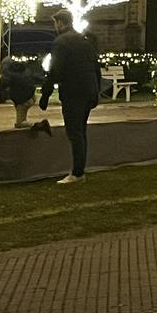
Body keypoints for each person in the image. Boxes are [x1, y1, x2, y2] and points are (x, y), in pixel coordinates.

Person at [39, 10, 101, 183]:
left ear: (60, 23)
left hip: (73, 92)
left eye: (55, 23)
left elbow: (55, 70)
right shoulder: (85, 41)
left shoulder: (61, 42)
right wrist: (96, 91)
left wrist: (45, 94)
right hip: (87, 91)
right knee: (81, 131)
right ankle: (79, 170)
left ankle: (77, 173)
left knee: (74, 132)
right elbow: (95, 67)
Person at [0, 57, 48, 129]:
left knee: (20, 123)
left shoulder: (8, 73)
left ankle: (40, 126)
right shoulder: (24, 70)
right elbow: (36, 77)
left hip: (22, 100)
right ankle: (28, 126)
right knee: (22, 120)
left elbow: (3, 84)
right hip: (31, 96)